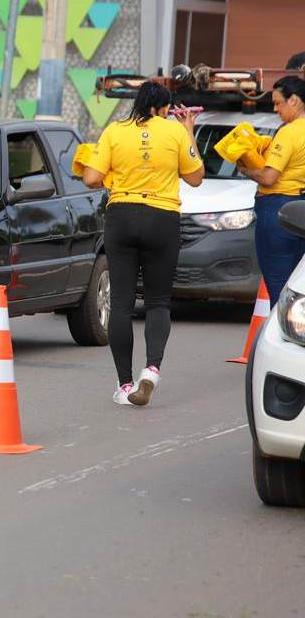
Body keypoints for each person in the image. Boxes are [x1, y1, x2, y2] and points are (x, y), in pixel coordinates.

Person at [82, 83, 203, 407]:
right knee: (158, 301)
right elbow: (195, 177)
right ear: (164, 108)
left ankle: (124, 385)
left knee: (121, 302)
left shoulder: (114, 131)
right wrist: (188, 132)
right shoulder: (175, 132)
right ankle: (151, 370)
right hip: (162, 218)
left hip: (121, 215)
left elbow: (92, 178)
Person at [238, 76, 305, 304]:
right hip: (301, 208)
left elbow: (268, 177)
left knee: (281, 293)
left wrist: (245, 169)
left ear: (294, 101)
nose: (276, 109)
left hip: (278, 211)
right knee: (300, 288)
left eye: (278, 103)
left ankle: (282, 337)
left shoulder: (289, 132)